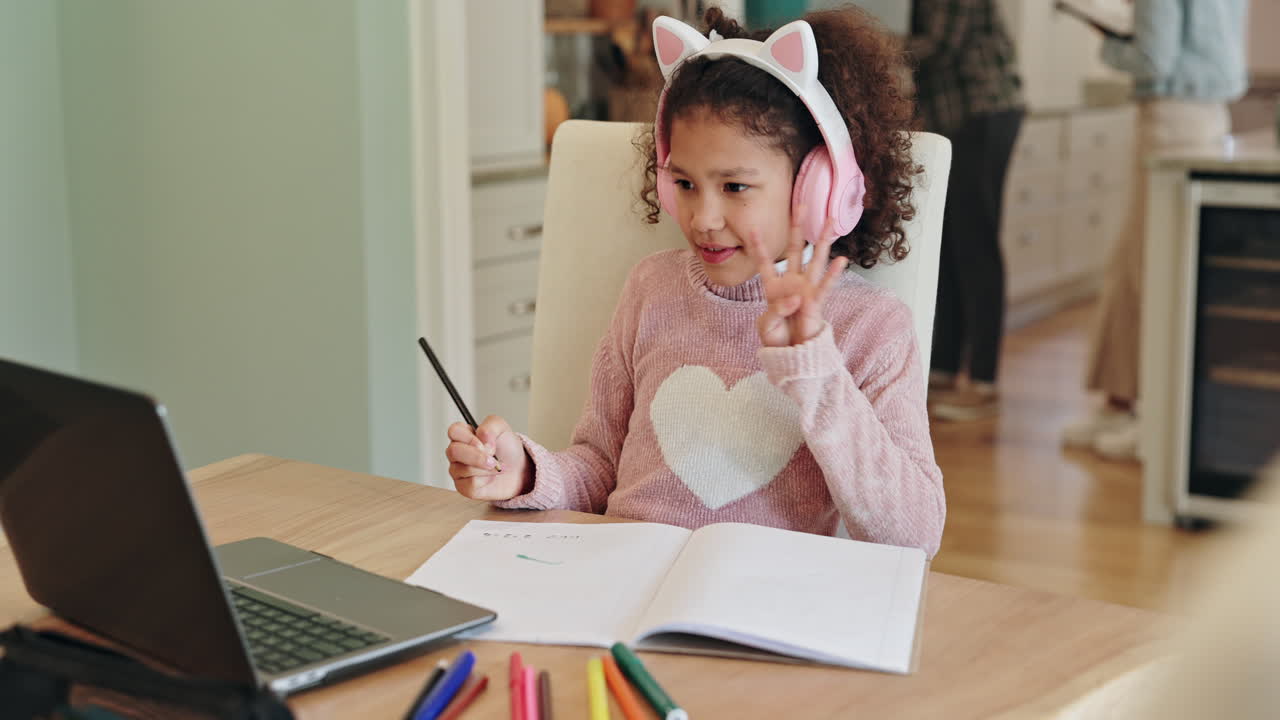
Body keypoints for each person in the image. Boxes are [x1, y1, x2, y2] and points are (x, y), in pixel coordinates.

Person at [444, 7, 946, 558]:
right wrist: (524, 472)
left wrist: (816, 370)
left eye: (734, 186)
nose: (703, 217)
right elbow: (600, 468)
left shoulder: (871, 326)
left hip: (761, 611)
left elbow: (914, 536)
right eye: (683, 182)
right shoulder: (650, 288)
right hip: (619, 581)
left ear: (819, 189)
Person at [1062, 0, 1248, 460]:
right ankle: (1119, 402)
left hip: (1171, 121)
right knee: (1134, 268)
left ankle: (1158, 422)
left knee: (1155, 276)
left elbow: (1152, 59)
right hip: (1210, 116)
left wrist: (1106, 42)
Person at [906, 0, 1027, 422]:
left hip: (982, 115)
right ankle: (942, 369)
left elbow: (939, 46)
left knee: (975, 245)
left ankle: (983, 380)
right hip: (958, 119)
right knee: (951, 244)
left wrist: (871, 44)